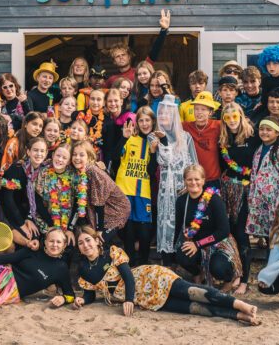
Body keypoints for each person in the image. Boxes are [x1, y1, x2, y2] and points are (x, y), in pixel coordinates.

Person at [74, 226, 258, 323]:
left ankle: (240, 304)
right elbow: (90, 292)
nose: (86, 245)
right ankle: (237, 315)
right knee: (192, 308)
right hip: (144, 299)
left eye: (88, 240)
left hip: (149, 278)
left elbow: (128, 277)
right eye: (81, 243)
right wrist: (83, 300)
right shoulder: (84, 268)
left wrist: (128, 299)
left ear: (97, 241)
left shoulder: (112, 252)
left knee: (192, 292)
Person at [217, 102, 261, 295]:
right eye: (227, 118)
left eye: (235, 117)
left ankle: (244, 281)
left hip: (246, 191)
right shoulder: (224, 139)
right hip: (228, 190)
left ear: (241, 116)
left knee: (243, 236)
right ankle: (236, 273)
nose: (232, 121)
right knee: (231, 234)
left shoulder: (253, 135)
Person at [174, 164, 241, 291]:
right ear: (184, 181)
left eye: (197, 179)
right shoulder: (182, 201)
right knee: (182, 255)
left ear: (203, 180)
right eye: (189, 179)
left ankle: (228, 279)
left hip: (219, 243)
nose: (193, 182)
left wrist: (198, 244)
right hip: (196, 243)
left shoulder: (214, 200)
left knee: (218, 268)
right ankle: (198, 273)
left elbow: (224, 231)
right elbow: (178, 227)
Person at [154, 95, 197, 265]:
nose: (163, 116)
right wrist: (163, 141)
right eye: (161, 113)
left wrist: (190, 185)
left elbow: (194, 164)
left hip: (183, 188)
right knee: (166, 224)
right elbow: (165, 161)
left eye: (167, 113)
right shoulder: (156, 138)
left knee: (182, 223)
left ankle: (186, 264)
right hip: (166, 191)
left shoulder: (185, 137)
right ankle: (168, 265)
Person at [115, 106, 158, 266]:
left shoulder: (154, 142)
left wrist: (153, 152)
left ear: (153, 122)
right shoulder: (129, 138)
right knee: (128, 232)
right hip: (124, 191)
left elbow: (151, 171)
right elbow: (114, 157)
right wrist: (123, 139)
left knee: (145, 233)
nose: (144, 123)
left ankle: (144, 265)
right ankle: (131, 266)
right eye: (141, 120)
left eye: (147, 120)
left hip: (143, 193)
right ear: (137, 123)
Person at [71, 141, 130, 243]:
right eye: (74, 154)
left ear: (89, 158)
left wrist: (99, 230)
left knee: (98, 240)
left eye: (81, 155)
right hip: (104, 210)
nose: (77, 158)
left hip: (116, 210)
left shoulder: (92, 171)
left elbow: (99, 203)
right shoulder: (81, 172)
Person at [246, 117, 279, 240]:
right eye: (261, 129)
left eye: (268, 130)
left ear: (277, 132)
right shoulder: (258, 149)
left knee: (276, 236)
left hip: (275, 199)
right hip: (260, 199)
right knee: (266, 235)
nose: (264, 132)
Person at [0, 137, 53, 237]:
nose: (39, 154)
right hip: (8, 211)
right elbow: (8, 198)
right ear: (28, 152)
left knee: (44, 234)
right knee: (29, 236)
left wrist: (51, 225)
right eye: (35, 150)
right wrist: (22, 223)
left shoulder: (43, 171)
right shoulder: (17, 168)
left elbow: (37, 200)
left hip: (27, 211)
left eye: (42, 151)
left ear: (46, 154)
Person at [104, 9, 170, 89]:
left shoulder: (140, 72)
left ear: (129, 57)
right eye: (117, 56)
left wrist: (163, 31)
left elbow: (154, 53)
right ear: (114, 61)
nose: (121, 57)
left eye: (123, 54)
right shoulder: (112, 80)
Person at [35, 142, 86, 241]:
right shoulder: (43, 172)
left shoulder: (74, 176)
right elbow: (37, 201)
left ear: (68, 161)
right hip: (45, 223)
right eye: (58, 155)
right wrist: (50, 225)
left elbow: (78, 203)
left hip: (66, 224)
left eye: (64, 158)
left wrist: (70, 228)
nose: (60, 159)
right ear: (53, 155)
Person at [182, 92, 222, 188]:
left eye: (203, 109)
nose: (199, 112)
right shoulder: (186, 126)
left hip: (213, 179)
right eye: (196, 109)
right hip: (193, 180)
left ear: (210, 112)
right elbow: (170, 125)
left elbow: (235, 124)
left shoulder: (218, 125)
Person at [100, 88, 135, 173]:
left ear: (121, 102)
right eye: (110, 101)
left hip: (127, 158)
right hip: (113, 158)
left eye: (116, 101)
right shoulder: (107, 119)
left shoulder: (129, 117)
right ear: (105, 103)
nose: (113, 104)